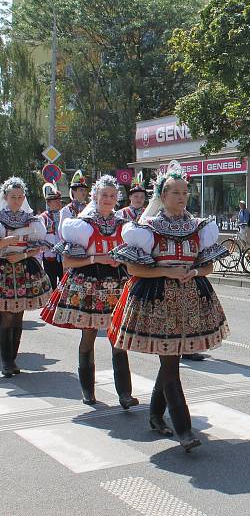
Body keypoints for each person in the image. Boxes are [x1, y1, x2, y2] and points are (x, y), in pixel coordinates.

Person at [108, 161, 230, 452]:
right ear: (162, 196)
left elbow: (209, 265)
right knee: (170, 363)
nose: (181, 197)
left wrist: (195, 272)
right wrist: (167, 272)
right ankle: (184, 429)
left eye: (185, 192)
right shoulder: (146, 229)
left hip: (190, 300)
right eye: (175, 192)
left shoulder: (198, 227)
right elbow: (134, 269)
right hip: (157, 301)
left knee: (172, 360)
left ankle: (154, 414)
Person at [40, 175, 137, 409]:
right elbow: (68, 262)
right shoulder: (81, 225)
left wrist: (121, 260)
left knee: (117, 337)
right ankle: (87, 390)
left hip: (116, 283)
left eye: (113, 196)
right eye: (104, 195)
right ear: (95, 196)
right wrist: (99, 258)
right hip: (88, 284)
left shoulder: (123, 224)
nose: (108, 199)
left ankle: (124, 393)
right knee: (89, 335)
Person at [0, 177, 51, 377]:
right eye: (13, 197)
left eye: (20, 197)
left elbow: (39, 246)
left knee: (18, 315)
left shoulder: (30, 218)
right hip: (3, 270)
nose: (17, 200)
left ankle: (12, 357)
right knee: (5, 315)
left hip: (23, 269)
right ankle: (6, 361)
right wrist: (6, 242)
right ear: (5, 197)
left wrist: (22, 254)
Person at [39, 182, 65, 289]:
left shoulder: (65, 215)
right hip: (50, 258)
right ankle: (53, 305)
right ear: (48, 203)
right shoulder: (43, 218)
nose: (59, 203)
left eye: (59, 200)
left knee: (65, 283)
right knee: (52, 284)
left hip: (64, 257)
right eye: (55, 201)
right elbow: (40, 238)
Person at [60, 170, 89, 236]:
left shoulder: (89, 208)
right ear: (73, 191)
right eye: (81, 190)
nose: (84, 192)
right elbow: (61, 232)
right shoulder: (66, 210)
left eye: (85, 190)